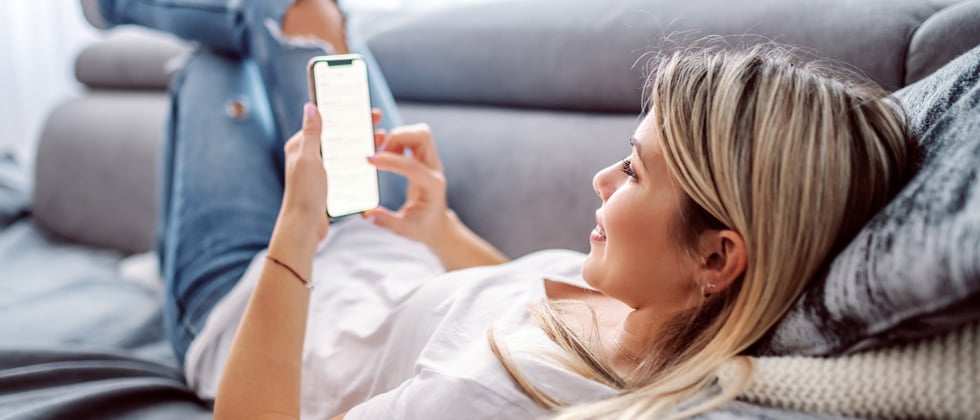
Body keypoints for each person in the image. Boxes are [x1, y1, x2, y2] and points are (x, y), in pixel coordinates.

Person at [95, 0, 919, 418]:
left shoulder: (486, 400)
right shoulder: (660, 313)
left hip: (252, 295)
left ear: (718, 258)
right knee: (310, 12)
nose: (602, 179)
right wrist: (439, 229)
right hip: (380, 235)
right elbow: (516, 303)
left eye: (634, 172)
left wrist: (295, 235)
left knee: (217, 60)